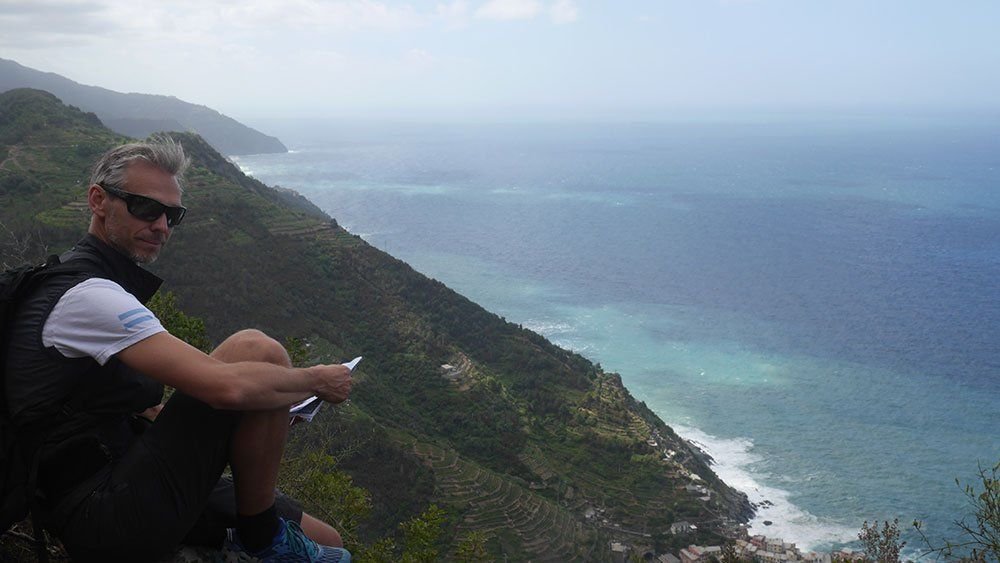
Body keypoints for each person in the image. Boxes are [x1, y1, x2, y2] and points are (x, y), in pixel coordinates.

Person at [3, 137, 353, 562]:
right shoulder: (87, 296)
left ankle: (259, 533)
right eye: (145, 208)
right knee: (257, 350)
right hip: (99, 509)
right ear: (98, 201)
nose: (161, 226)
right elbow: (225, 386)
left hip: (127, 469)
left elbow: (98, 406)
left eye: (172, 215)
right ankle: (261, 538)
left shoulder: (100, 284)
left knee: (327, 539)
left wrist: (266, 411)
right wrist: (315, 380)